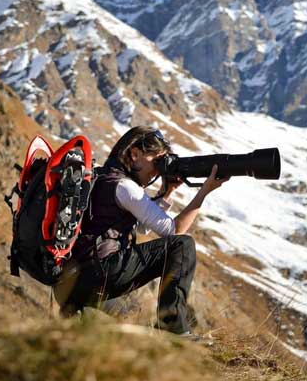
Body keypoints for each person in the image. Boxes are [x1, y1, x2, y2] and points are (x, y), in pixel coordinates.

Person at [54, 126, 228, 335]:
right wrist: (203, 192)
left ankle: (81, 321)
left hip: (74, 280)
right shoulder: (125, 187)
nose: (157, 170)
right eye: (156, 162)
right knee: (182, 245)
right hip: (99, 273)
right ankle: (173, 328)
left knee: (127, 315)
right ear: (134, 154)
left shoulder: (103, 176)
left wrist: (168, 190)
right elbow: (175, 231)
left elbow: (140, 227)